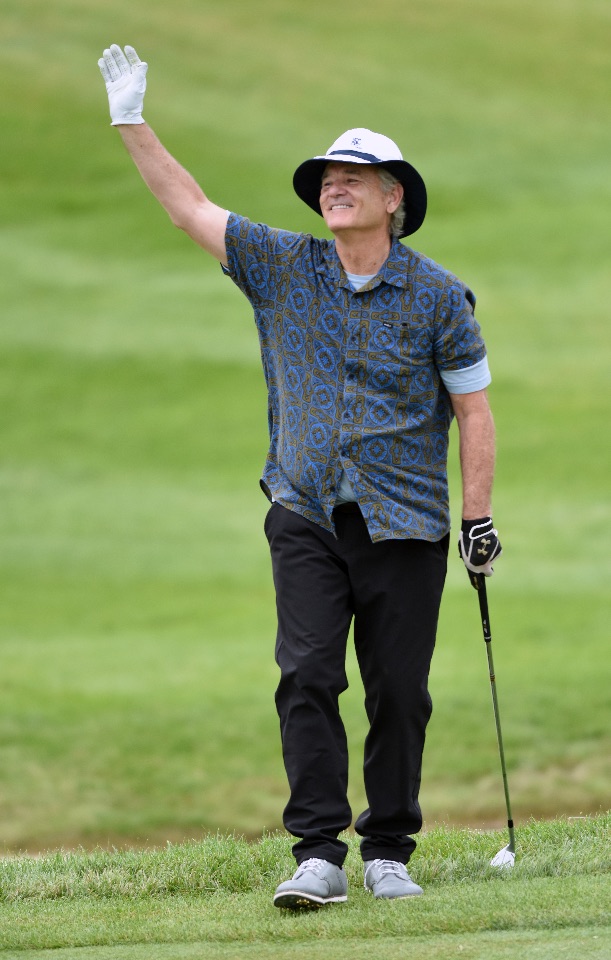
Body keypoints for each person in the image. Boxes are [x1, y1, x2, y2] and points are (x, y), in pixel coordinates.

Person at [98, 44, 502, 909]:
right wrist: (131, 121)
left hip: (407, 524)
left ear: (395, 198)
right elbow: (190, 208)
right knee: (307, 675)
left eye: (354, 175)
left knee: (400, 691)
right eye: (327, 175)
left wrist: (476, 519)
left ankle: (388, 848)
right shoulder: (284, 266)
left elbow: (474, 412)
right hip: (305, 511)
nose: (334, 184)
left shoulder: (440, 298)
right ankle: (318, 853)